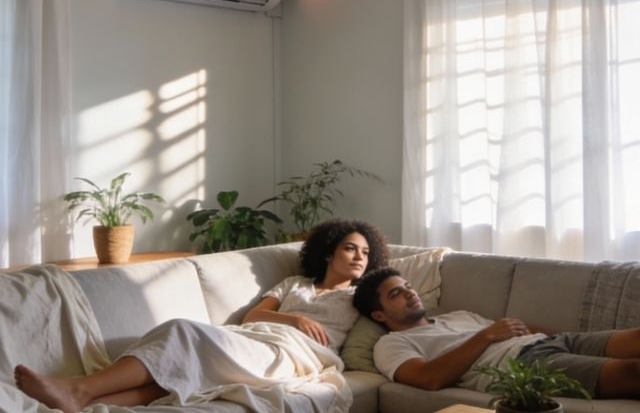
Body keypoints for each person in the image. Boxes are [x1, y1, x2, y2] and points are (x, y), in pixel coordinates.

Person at [15, 219, 389, 413]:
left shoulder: (361, 296)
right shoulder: (294, 283)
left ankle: (79, 389)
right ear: (328, 253)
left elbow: (404, 307)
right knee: (183, 368)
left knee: (181, 331)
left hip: (293, 356)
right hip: (256, 337)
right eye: (350, 248)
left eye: (365, 253)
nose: (360, 257)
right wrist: (295, 319)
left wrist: (299, 330)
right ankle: (82, 403)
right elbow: (253, 316)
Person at [352, 266, 640, 400]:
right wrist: (485, 336)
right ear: (379, 315)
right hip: (523, 367)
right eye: (396, 294)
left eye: (408, 287)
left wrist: (562, 339)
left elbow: (514, 328)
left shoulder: (458, 316)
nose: (410, 293)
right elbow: (429, 379)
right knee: (631, 372)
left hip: (553, 342)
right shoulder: (391, 344)